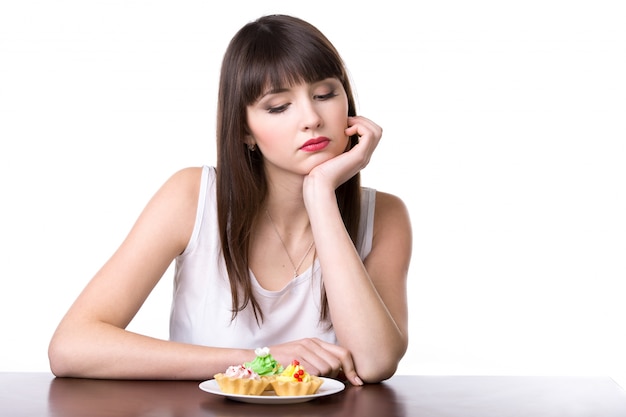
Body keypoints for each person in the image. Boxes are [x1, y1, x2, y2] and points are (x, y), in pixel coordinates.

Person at [48, 14, 412, 386]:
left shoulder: (385, 216)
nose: (311, 119)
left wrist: (320, 193)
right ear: (244, 130)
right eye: (278, 106)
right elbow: (72, 345)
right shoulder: (191, 196)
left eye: (324, 95)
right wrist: (257, 361)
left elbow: (375, 362)